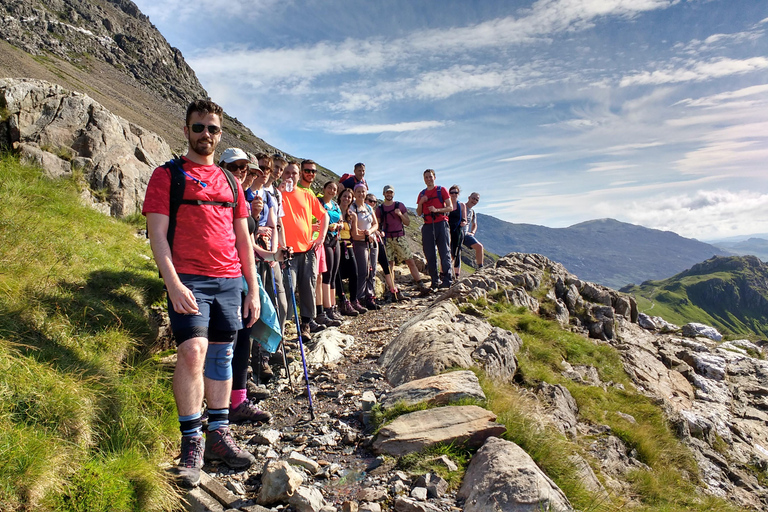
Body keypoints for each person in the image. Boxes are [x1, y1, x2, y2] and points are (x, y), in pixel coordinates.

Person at [143, 100, 257, 488]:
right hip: (189, 278)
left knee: (223, 354)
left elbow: (243, 239)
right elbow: (157, 235)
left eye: (212, 128)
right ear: (186, 130)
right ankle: (191, 440)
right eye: (198, 128)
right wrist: (172, 283)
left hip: (229, 281)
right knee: (193, 352)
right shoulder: (167, 175)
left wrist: (252, 288)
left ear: (220, 134)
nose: (205, 135)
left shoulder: (231, 182)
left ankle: (219, 436)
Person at [216, 148, 274, 418]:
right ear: (223, 165)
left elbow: (247, 244)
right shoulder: (219, 194)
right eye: (235, 166)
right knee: (225, 339)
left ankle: (237, 399)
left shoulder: (239, 196)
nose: (240, 172)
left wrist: (272, 255)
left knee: (242, 335)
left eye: (245, 169)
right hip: (223, 274)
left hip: (241, 273)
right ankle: (219, 403)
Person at [279, 162, 329, 341]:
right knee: (287, 289)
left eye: (294, 173)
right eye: (287, 173)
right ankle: (284, 328)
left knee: (308, 287)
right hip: (286, 252)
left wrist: (320, 238)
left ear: (299, 175)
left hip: (307, 249)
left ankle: (306, 324)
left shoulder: (307, 195)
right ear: (282, 174)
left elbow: (324, 215)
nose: (290, 176)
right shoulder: (277, 194)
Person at [377, 185, 424, 289]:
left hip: (400, 237)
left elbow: (407, 222)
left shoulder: (400, 206)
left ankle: (421, 285)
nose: (389, 194)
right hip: (387, 239)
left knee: (410, 261)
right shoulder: (380, 209)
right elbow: (378, 225)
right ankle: (392, 289)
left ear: (393, 194)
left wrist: (400, 215)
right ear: (384, 194)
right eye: (387, 192)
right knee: (390, 265)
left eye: (391, 192)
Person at [416, 169, 453, 290]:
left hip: (441, 223)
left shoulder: (441, 190)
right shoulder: (421, 194)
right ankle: (434, 281)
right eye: (426, 177)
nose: (428, 179)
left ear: (434, 177)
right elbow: (418, 212)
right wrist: (421, 202)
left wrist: (437, 210)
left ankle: (447, 280)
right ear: (424, 179)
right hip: (427, 225)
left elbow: (450, 207)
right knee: (430, 254)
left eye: (430, 177)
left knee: (444, 252)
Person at [367, 192, 406, 302]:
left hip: (377, 240)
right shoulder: (362, 211)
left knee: (386, 265)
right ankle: (370, 294)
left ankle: (393, 290)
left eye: (374, 201)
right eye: (370, 200)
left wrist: (379, 232)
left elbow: (377, 225)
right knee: (370, 267)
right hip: (368, 241)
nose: (372, 203)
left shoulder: (373, 212)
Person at [350, 183, 381, 310]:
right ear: (354, 192)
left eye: (363, 191)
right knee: (363, 271)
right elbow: (353, 227)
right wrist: (364, 234)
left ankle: (370, 296)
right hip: (359, 242)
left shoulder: (368, 207)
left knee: (372, 269)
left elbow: (375, 224)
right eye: (358, 191)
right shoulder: (352, 207)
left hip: (372, 241)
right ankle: (360, 297)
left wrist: (371, 231)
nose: (361, 194)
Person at [318, 181, 346, 322]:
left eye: (334, 189)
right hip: (325, 240)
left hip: (336, 240)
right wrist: (328, 226)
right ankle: (327, 308)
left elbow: (341, 221)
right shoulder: (319, 202)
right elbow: (316, 219)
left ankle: (333, 307)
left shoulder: (335, 205)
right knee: (327, 274)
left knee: (334, 274)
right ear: (324, 189)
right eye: (329, 188)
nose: (332, 191)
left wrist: (339, 225)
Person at [337, 188, 366, 315]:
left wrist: (367, 235)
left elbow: (354, 233)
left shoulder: (352, 215)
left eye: (349, 197)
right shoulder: (335, 212)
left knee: (354, 273)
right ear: (340, 197)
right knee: (337, 275)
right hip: (336, 245)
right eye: (344, 196)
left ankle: (354, 301)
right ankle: (343, 302)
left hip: (348, 245)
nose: (346, 199)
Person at [447, 185, 467, 279]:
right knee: (447, 251)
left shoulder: (462, 205)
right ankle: (447, 272)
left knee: (457, 251)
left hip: (458, 231)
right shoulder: (446, 204)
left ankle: (456, 275)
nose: (454, 194)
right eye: (452, 192)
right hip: (447, 230)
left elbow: (465, 219)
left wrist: (464, 222)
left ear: (458, 194)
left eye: (456, 192)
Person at [463, 192, 484, 268]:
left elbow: (474, 224)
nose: (474, 201)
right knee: (453, 254)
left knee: (479, 247)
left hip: (465, 235)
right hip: (456, 233)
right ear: (469, 197)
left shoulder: (472, 212)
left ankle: (480, 267)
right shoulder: (461, 206)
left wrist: (472, 232)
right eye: (473, 198)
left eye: (476, 200)